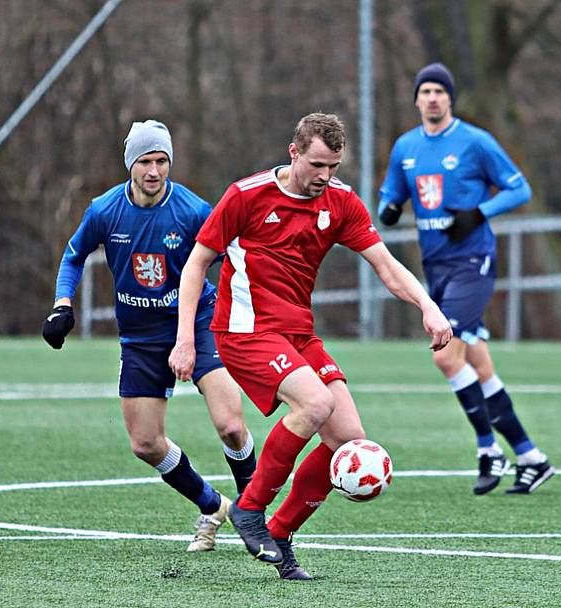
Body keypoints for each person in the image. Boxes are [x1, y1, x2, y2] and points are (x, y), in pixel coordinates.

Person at [169, 113, 452, 580]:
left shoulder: (340, 202)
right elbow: (196, 265)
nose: (325, 176)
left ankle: (280, 533)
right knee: (316, 402)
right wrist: (185, 340)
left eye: (334, 167)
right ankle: (249, 507)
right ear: (294, 151)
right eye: (318, 164)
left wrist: (427, 305)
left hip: (298, 333)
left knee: (350, 438)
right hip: (245, 330)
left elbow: (385, 264)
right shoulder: (247, 196)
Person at [41, 120, 257, 552]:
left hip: (198, 322)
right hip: (140, 336)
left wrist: (245, 309)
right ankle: (212, 505)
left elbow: (235, 255)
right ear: (130, 165)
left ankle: (255, 513)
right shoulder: (105, 210)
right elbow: (73, 255)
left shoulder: (194, 210)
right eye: (145, 161)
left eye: (162, 161)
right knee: (144, 443)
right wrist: (63, 303)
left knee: (231, 426)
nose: (154, 170)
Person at [377, 63, 555, 495]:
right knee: (477, 362)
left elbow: (519, 189)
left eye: (440, 91)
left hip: (472, 261)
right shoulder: (406, 146)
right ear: (416, 99)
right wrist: (387, 208)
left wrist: (479, 214)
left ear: (450, 98)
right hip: (434, 266)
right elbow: (392, 192)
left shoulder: (475, 141)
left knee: (444, 354)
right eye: (426, 91)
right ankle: (531, 457)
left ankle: (487, 448)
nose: (433, 98)